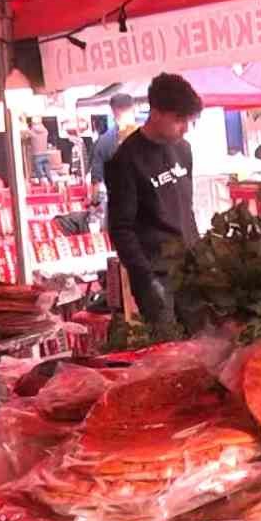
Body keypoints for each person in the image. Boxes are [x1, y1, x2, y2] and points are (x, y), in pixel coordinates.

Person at [105, 73, 204, 333]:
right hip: (156, 273)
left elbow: (186, 209)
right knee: (171, 354)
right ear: (157, 112)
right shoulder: (125, 160)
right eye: (179, 120)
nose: (185, 128)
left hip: (192, 268)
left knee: (205, 344)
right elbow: (120, 228)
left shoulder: (184, 150)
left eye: (189, 121)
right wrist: (145, 279)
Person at [91, 93, 137, 191]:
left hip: (119, 200)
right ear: (134, 108)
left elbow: (97, 182)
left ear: (113, 111)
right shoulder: (149, 137)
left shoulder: (102, 142)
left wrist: (94, 203)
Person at [27, 117, 53, 185]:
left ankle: (43, 184)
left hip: (37, 155)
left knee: (39, 172)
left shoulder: (33, 132)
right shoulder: (45, 131)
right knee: (47, 170)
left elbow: (25, 132)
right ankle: (51, 182)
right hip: (46, 154)